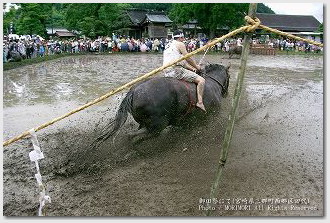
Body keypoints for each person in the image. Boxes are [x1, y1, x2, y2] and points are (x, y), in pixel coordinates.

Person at [163, 30, 206, 112]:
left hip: (167, 72)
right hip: (176, 71)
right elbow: (188, 58)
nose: (184, 39)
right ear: (180, 37)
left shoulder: (168, 45)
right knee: (201, 80)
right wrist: (197, 67)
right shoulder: (180, 44)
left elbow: (183, 62)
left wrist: (193, 69)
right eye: (183, 38)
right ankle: (200, 102)